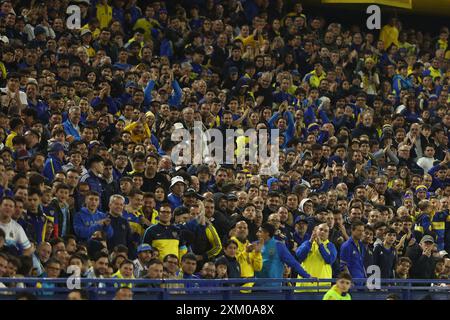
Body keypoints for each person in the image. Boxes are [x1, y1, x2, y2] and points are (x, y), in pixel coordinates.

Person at [255, 223, 311, 287]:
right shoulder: (254, 245)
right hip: (255, 287)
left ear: (267, 233)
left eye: (260, 232)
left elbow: (293, 263)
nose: (257, 234)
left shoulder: (278, 246)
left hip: (273, 288)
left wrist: (307, 276)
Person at [296, 223, 337, 291]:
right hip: (304, 286)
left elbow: (329, 260)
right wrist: (310, 242)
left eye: (326, 231)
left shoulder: (331, 246)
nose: (323, 232)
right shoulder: (307, 243)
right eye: (320, 229)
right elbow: (299, 256)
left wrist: (320, 245)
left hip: (322, 287)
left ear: (328, 234)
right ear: (315, 231)